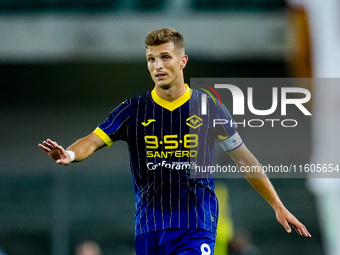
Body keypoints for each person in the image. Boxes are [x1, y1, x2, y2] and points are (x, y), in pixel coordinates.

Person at [39, 28, 311, 255]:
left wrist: (277, 204)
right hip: (150, 227)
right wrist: (71, 155)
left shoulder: (209, 108)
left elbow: (244, 159)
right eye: (151, 59)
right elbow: (92, 140)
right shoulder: (133, 110)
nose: (157, 66)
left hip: (196, 225)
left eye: (165, 57)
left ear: (182, 61)